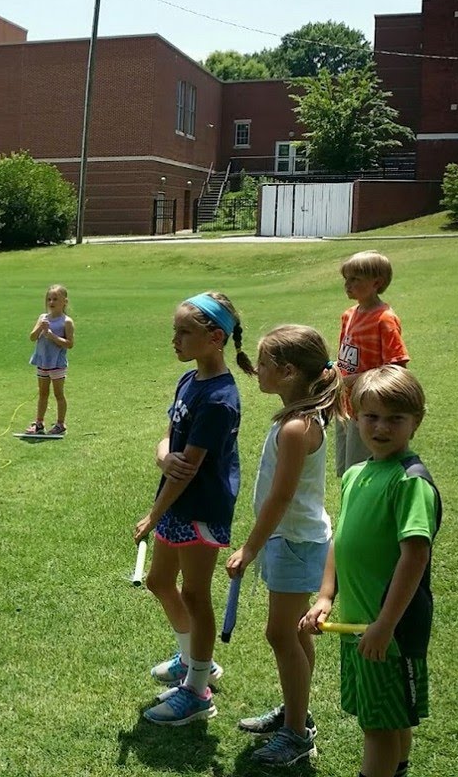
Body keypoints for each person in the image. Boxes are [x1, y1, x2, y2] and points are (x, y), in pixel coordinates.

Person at [301, 366, 440, 777]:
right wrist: (326, 596)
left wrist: (384, 624)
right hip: (359, 623)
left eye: (395, 418)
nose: (381, 427)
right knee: (386, 716)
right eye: (371, 416)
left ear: (416, 422)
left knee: (377, 726)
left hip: (389, 629)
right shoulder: (357, 474)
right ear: (354, 415)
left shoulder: (410, 482)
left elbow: (415, 557)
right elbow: (339, 541)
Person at [133, 291, 255, 725]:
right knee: (160, 580)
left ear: (215, 337)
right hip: (177, 504)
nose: (175, 340)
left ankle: (198, 690)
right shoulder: (190, 381)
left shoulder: (220, 399)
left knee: (195, 595)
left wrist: (153, 514)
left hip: (200, 507)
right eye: (175, 331)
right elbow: (170, 442)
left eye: (184, 332)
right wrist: (163, 454)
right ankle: (191, 660)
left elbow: (189, 470)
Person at [224, 325, 344, 765]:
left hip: (294, 540)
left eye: (264, 363)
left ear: (288, 371)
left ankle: (296, 734)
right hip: (291, 538)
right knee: (291, 633)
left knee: (280, 633)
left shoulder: (297, 426)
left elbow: (280, 497)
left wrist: (250, 548)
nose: (257, 370)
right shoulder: (299, 417)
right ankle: (297, 713)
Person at [335, 250, 410, 476]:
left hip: (368, 408)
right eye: (346, 279)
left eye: (355, 279)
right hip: (345, 404)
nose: (347, 284)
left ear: (376, 283)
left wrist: (351, 380)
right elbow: (345, 356)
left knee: (362, 471)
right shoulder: (349, 315)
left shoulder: (384, 319)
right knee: (347, 471)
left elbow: (396, 368)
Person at [25, 284, 75, 436]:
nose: (51, 302)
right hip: (42, 362)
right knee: (42, 393)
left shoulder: (66, 321)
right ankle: (39, 423)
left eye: (55, 299)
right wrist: (40, 328)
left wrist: (52, 336)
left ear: (64, 301)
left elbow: (70, 344)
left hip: (57, 364)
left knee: (58, 394)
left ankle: (60, 424)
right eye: (49, 299)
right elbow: (32, 337)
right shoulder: (42, 318)